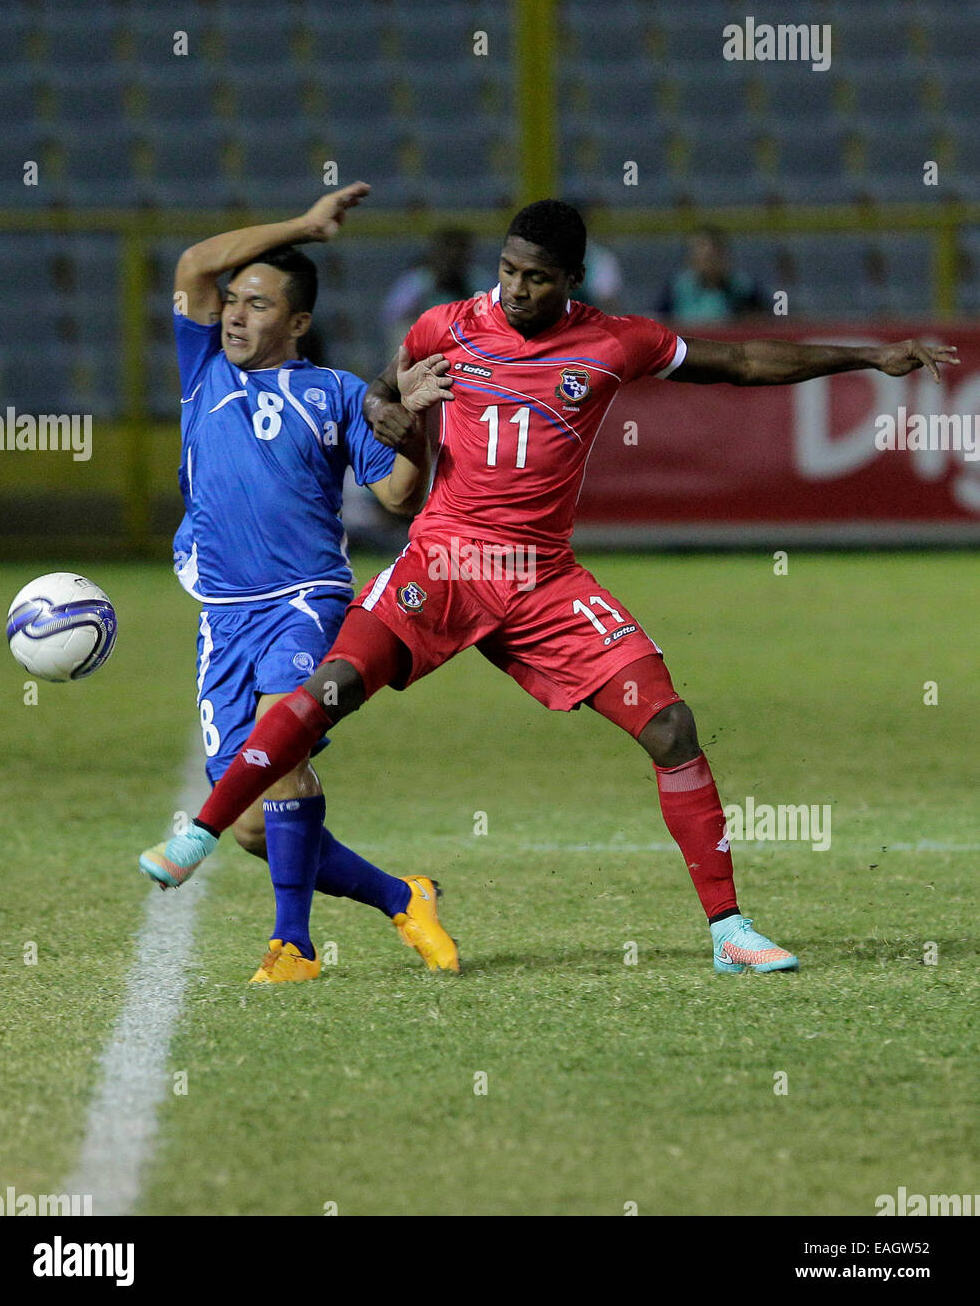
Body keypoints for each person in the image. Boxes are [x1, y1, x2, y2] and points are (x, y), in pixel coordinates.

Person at [143, 199, 958, 977]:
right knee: (330, 687)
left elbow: (740, 362)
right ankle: (201, 834)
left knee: (670, 726)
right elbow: (393, 395)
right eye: (507, 270)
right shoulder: (447, 323)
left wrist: (867, 355)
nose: (515, 288)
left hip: (539, 577)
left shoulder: (615, 342)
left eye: (535, 277)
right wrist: (396, 411)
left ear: (571, 280)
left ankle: (730, 931)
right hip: (448, 560)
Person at [139, 182, 458, 982]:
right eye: (233, 301)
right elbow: (192, 264)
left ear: (299, 323)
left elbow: (395, 496)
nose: (236, 314)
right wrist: (304, 228)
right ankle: (400, 895)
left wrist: (410, 423)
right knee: (254, 826)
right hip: (224, 619)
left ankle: (293, 946)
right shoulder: (202, 366)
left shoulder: (337, 393)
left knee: (284, 735)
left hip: (303, 601)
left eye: (257, 304)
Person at [656, 225, 765, 322]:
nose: (707, 259)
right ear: (690, 257)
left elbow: (765, 322)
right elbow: (661, 322)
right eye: (700, 252)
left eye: (712, 255)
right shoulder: (677, 288)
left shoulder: (742, 288)